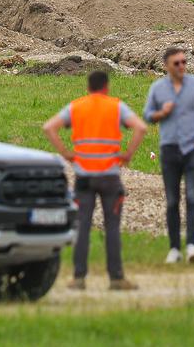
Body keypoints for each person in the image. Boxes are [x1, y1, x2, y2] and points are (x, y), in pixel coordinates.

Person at [44, 71, 148, 291]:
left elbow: (49, 127)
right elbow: (141, 127)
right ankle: (116, 278)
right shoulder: (116, 106)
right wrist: (128, 154)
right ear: (106, 87)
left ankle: (79, 277)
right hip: (109, 176)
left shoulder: (76, 106)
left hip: (84, 177)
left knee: (82, 226)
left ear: (88, 87)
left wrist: (66, 154)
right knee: (112, 227)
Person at [143, 47, 194, 264]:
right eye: (177, 63)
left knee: (192, 196)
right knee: (172, 200)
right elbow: (148, 115)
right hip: (170, 149)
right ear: (166, 66)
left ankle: (192, 245)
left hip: (193, 149)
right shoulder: (158, 88)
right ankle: (174, 248)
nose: (182, 66)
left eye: (184, 62)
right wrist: (161, 113)